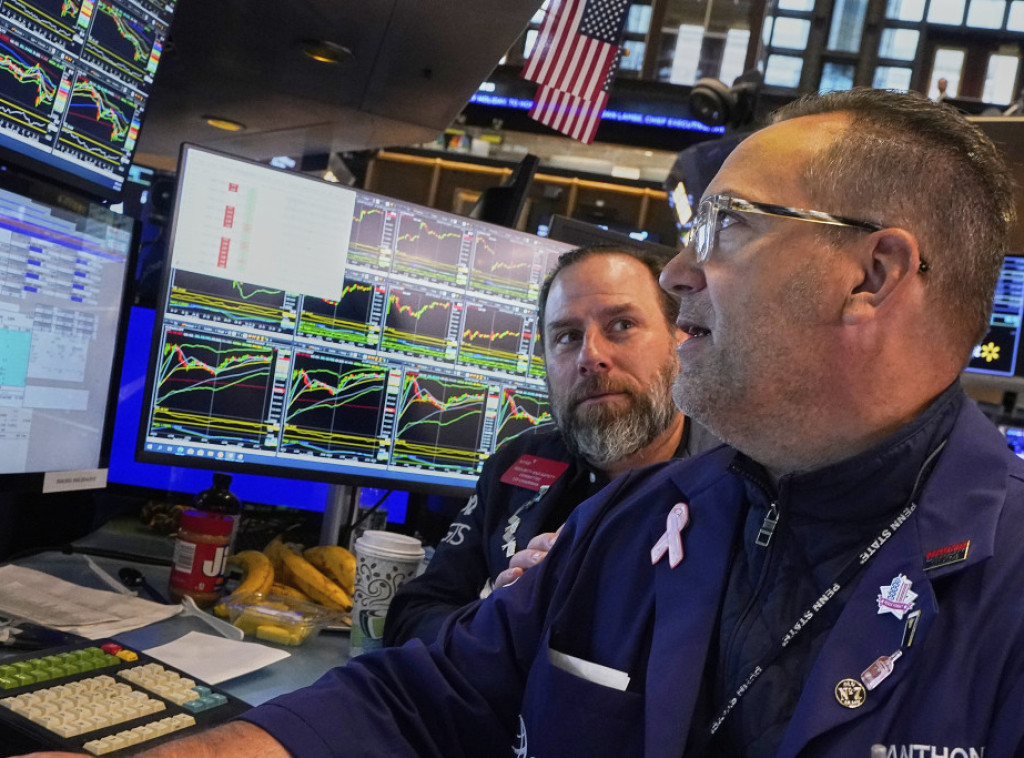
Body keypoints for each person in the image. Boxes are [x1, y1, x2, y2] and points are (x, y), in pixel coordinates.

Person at [23, 88, 1024, 757]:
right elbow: (417, 698)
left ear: (872, 274)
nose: (681, 273)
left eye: (727, 227)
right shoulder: (632, 520)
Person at [383, 244, 719, 646]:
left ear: (679, 338)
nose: (590, 356)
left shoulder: (735, 481)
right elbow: (414, 615)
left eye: (622, 325)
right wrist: (497, 624)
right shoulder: (518, 465)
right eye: (568, 336)